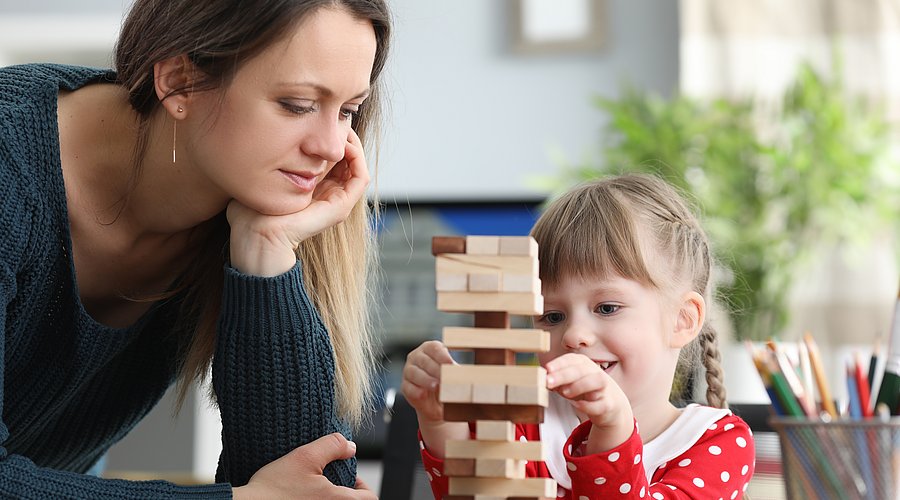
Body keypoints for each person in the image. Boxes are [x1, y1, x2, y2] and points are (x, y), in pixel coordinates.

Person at [0, 0, 390, 498]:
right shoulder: (10, 164)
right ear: (180, 81)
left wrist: (266, 249)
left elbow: (311, 481)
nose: (332, 147)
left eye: (348, 111)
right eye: (297, 105)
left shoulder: (256, 198)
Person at [402, 174, 757, 499]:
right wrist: (439, 420)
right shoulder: (527, 418)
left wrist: (613, 427)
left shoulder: (719, 442)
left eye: (606, 308)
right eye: (552, 316)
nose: (573, 335)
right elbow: (473, 492)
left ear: (682, 320)